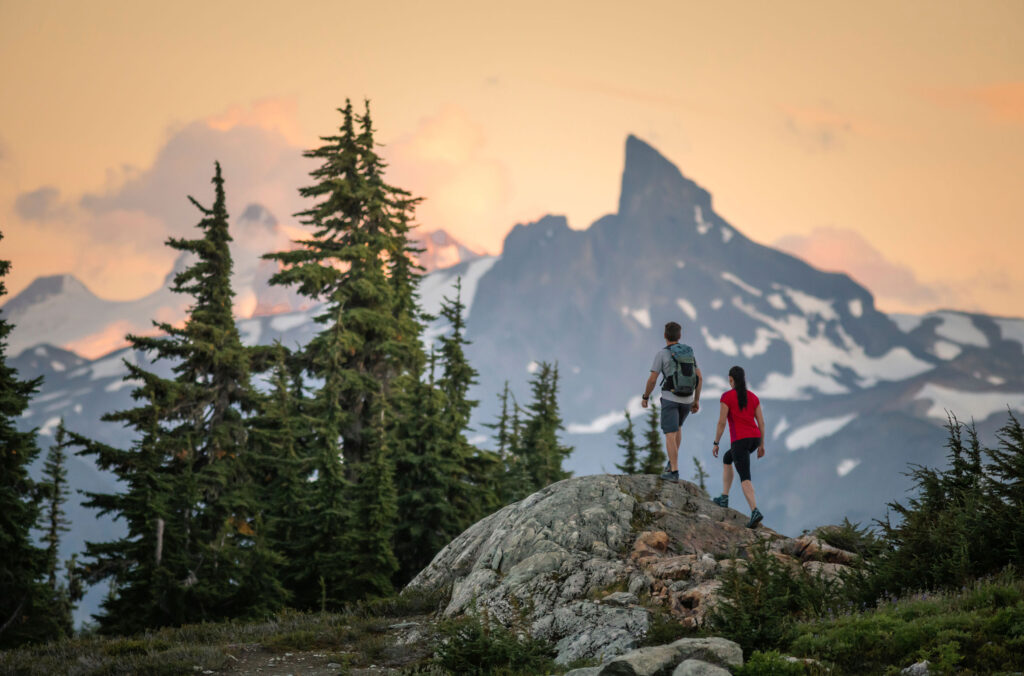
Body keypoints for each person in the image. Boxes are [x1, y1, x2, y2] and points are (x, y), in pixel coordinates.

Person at [642, 321, 702, 481]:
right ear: (680, 336)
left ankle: (673, 471)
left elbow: (652, 379)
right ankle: (671, 463)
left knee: (670, 433)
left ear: (664, 336)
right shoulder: (689, 353)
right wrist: (696, 400)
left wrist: (646, 396)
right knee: (678, 428)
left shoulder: (662, 354)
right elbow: (699, 377)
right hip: (688, 399)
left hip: (670, 398)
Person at [711, 365, 766, 528]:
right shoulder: (753, 397)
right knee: (728, 458)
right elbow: (761, 422)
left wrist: (716, 442)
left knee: (745, 476)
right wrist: (762, 444)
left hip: (740, 440)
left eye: (730, 380)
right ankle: (724, 497)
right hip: (755, 439)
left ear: (732, 380)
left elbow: (721, 422)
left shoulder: (727, 397)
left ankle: (754, 510)